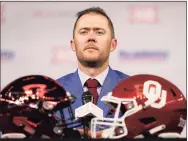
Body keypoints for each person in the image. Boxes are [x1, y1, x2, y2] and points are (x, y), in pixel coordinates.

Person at [56, 7, 129, 137]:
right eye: (83, 32)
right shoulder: (53, 92)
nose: (91, 38)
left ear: (113, 44)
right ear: (73, 44)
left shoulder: (132, 89)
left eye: (99, 32)